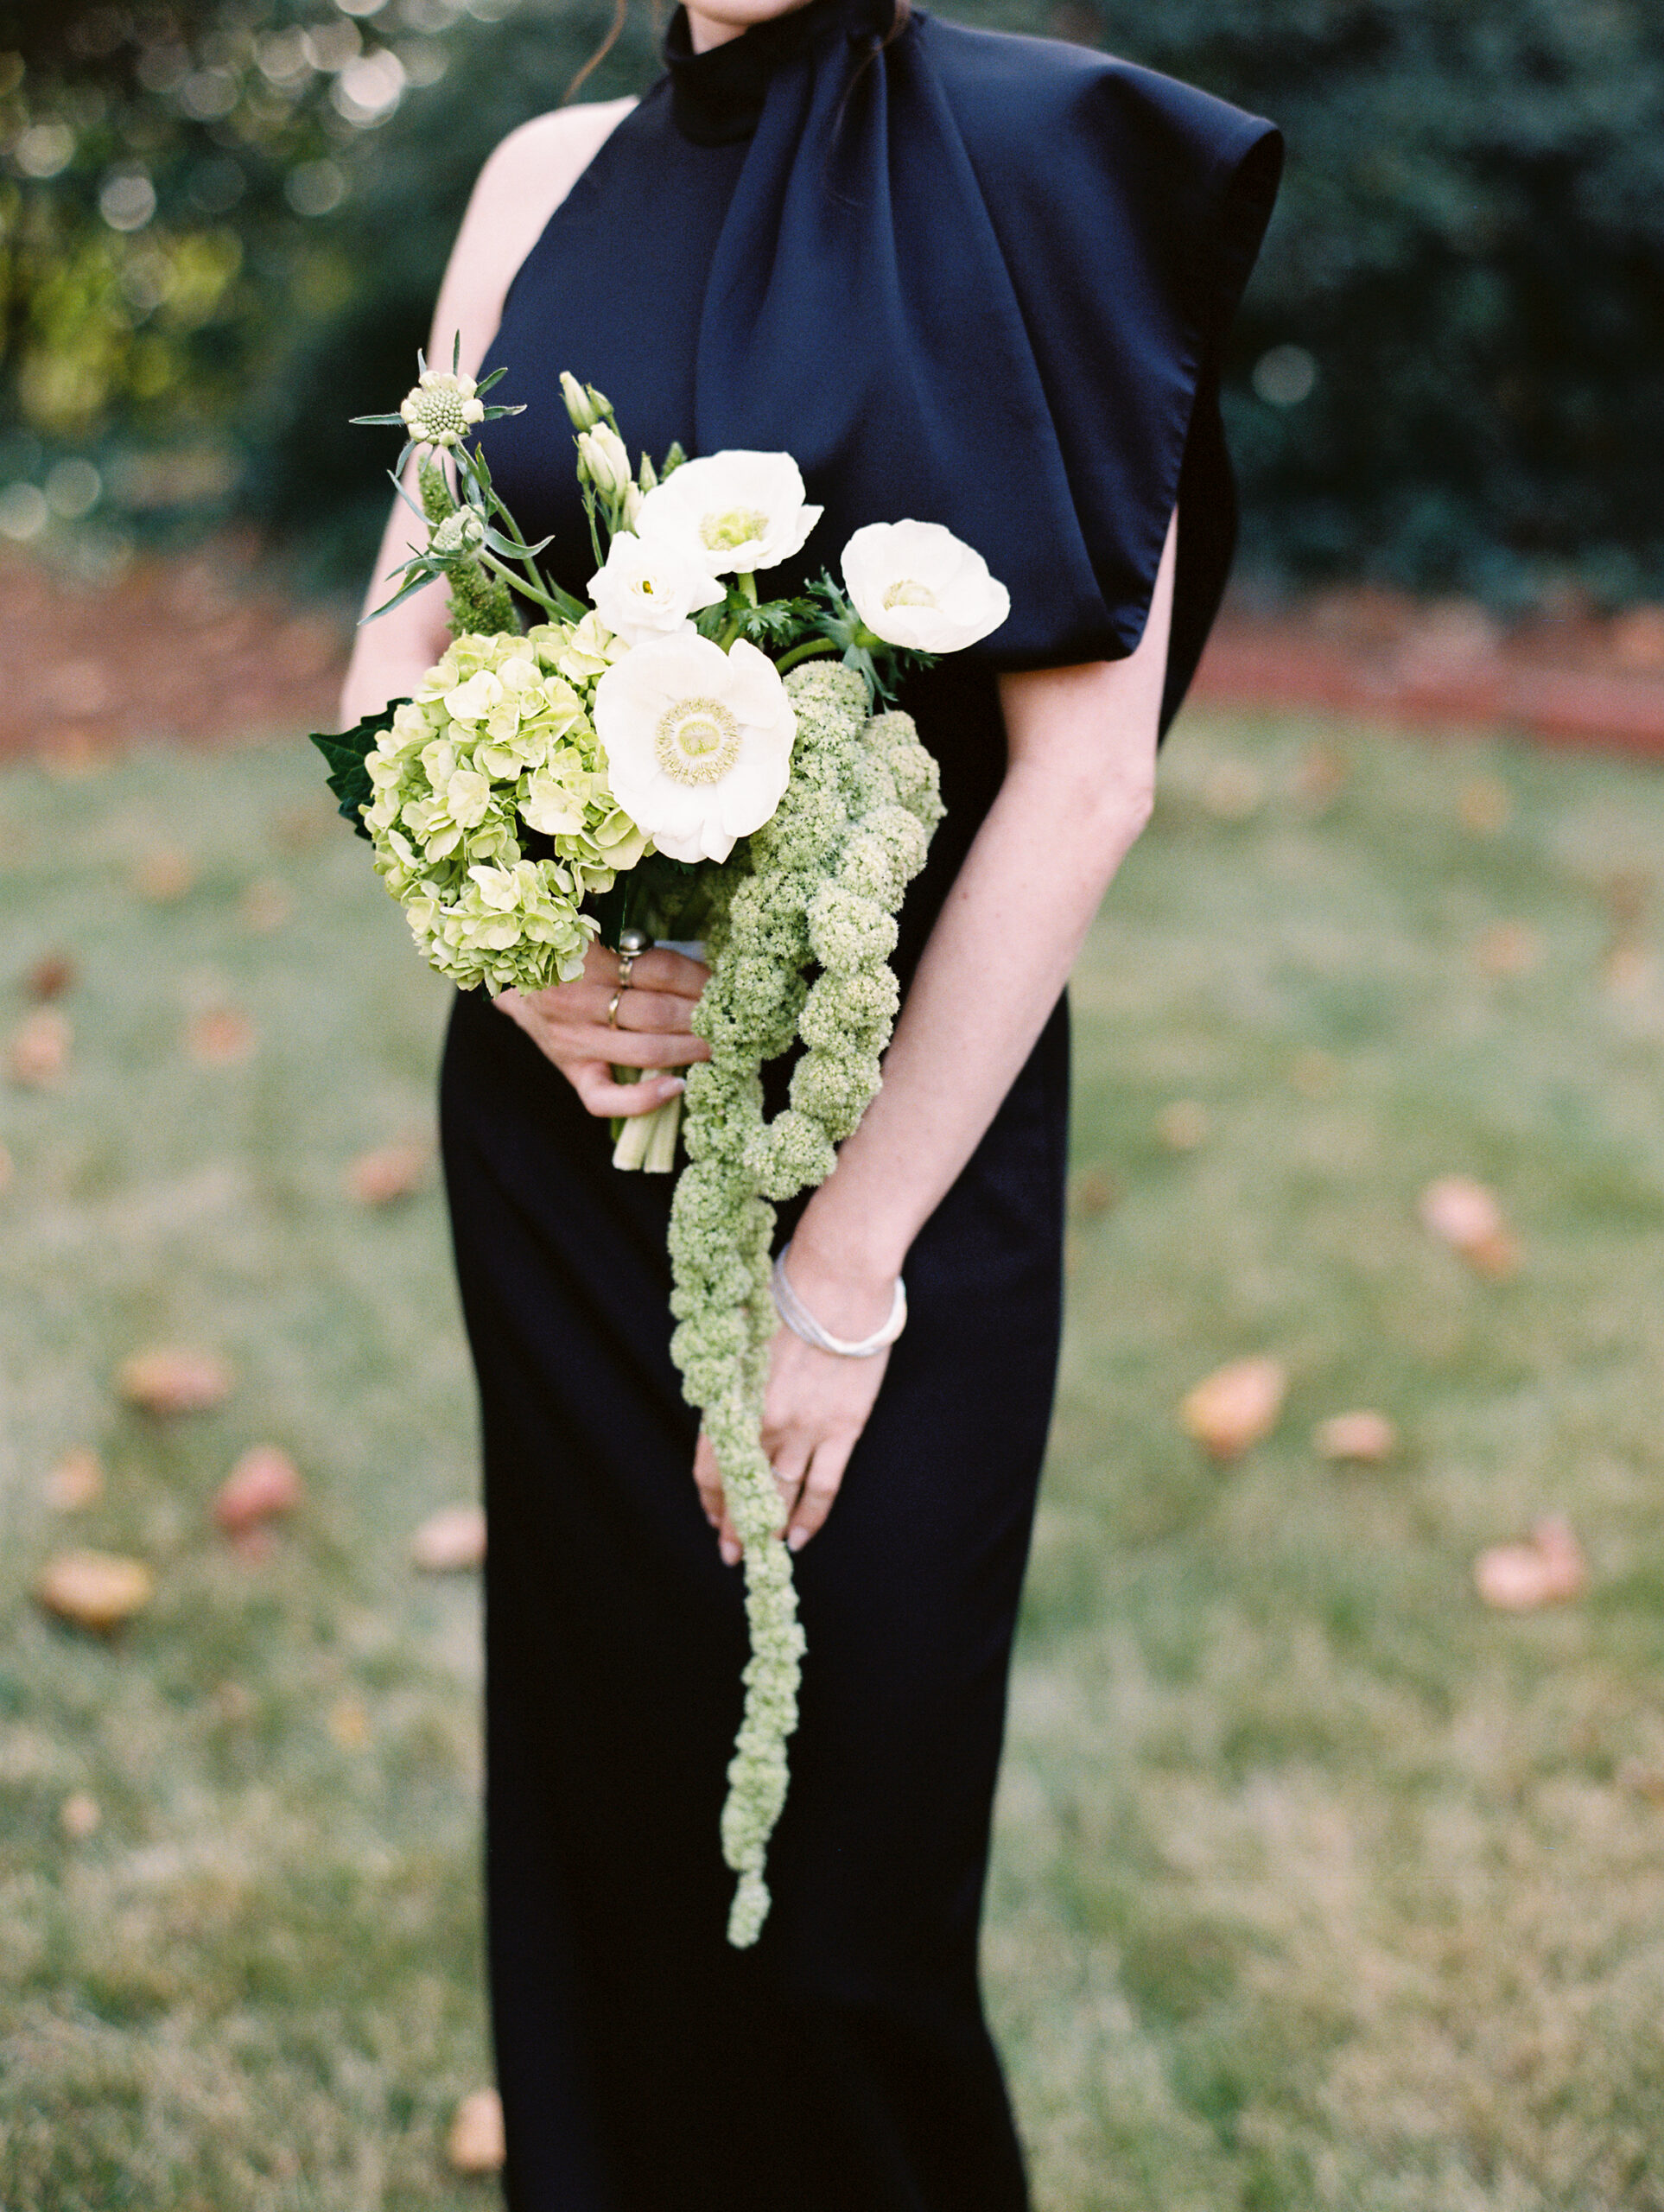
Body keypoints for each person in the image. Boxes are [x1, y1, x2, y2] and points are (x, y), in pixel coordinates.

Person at [339, 1, 1280, 2202]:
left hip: (897, 1151)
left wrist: (845, 1260)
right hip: (566, 1144)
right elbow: (394, 673)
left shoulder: (1050, 166)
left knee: (848, 1864)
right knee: (614, 1802)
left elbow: (1086, 770)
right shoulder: (532, 187)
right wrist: (512, 951)